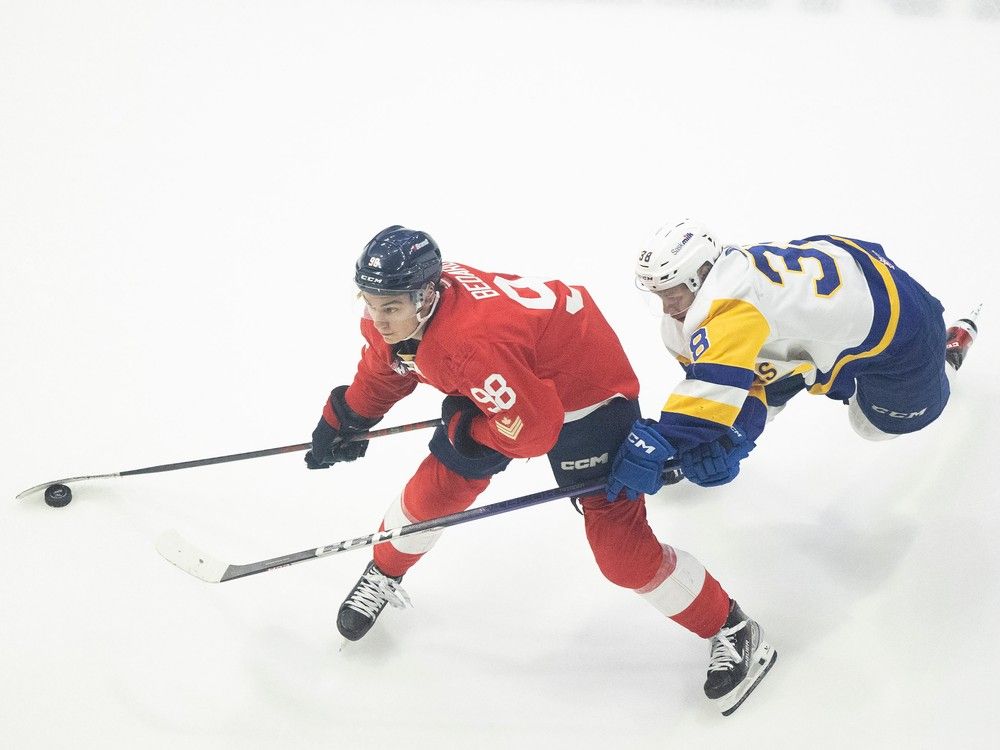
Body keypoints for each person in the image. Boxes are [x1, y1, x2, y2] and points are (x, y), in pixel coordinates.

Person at [306, 225, 775, 716]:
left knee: (621, 554)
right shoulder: (412, 317)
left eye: (390, 308)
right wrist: (347, 416)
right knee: (436, 491)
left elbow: (531, 430)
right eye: (369, 303)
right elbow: (390, 365)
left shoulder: (470, 344)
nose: (377, 319)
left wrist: (469, 430)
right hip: (514, 372)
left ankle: (733, 627)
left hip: (587, 397)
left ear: (426, 296)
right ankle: (386, 570)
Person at [608, 217, 980, 498]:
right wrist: (727, 437)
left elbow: (717, 390)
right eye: (658, 294)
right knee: (784, 366)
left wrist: (662, 443)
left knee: (870, 425)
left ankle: (946, 356)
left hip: (906, 335)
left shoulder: (731, 308)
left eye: (673, 292)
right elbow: (754, 384)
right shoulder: (726, 284)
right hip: (857, 270)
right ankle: (840, 363)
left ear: (703, 274)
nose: (666, 306)